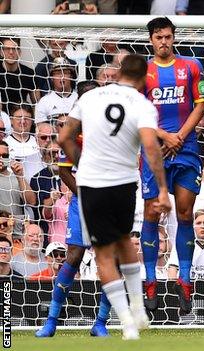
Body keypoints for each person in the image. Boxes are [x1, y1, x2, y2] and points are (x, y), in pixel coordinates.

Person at [59, 54, 171, 340]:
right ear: (145, 78)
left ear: (119, 72)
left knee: (104, 255)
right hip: (124, 184)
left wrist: (81, 163)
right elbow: (150, 145)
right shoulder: (142, 104)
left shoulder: (90, 98)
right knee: (124, 240)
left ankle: (126, 323)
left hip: (92, 185)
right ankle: (137, 307)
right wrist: (161, 189)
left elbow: (63, 137)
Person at [35, 80, 112, 338]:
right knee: (74, 256)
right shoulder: (73, 134)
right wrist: (84, 193)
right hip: (83, 202)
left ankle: (100, 323)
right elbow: (65, 171)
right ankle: (51, 321)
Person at [141, 17, 204, 315]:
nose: (164, 42)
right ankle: (151, 280)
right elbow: (137, 115)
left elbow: (201, 104)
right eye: (158, 37)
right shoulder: (143, 72)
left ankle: (185, 278)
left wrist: (179, 136)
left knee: (184, 213)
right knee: (153, 213)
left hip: (187, 149)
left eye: (168, 36)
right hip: (155, 151)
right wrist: (165, 135)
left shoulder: (192, 66)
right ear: (151, 40)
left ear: (173, 37)